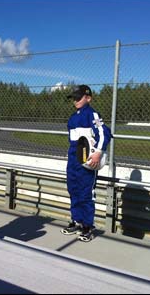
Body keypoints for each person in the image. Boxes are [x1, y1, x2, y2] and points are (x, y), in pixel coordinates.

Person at [61, 85, 112, 242]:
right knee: (73, 189)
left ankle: (88, 226)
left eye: (78, 97)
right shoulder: (73, 117)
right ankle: (77, 221)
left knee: (86, 192)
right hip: (73, 158)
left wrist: (98, 152)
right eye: (73, 98)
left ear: (88, 98)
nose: (75, 100)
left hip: (86, 159)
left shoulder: (92, 114)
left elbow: (104, 133)